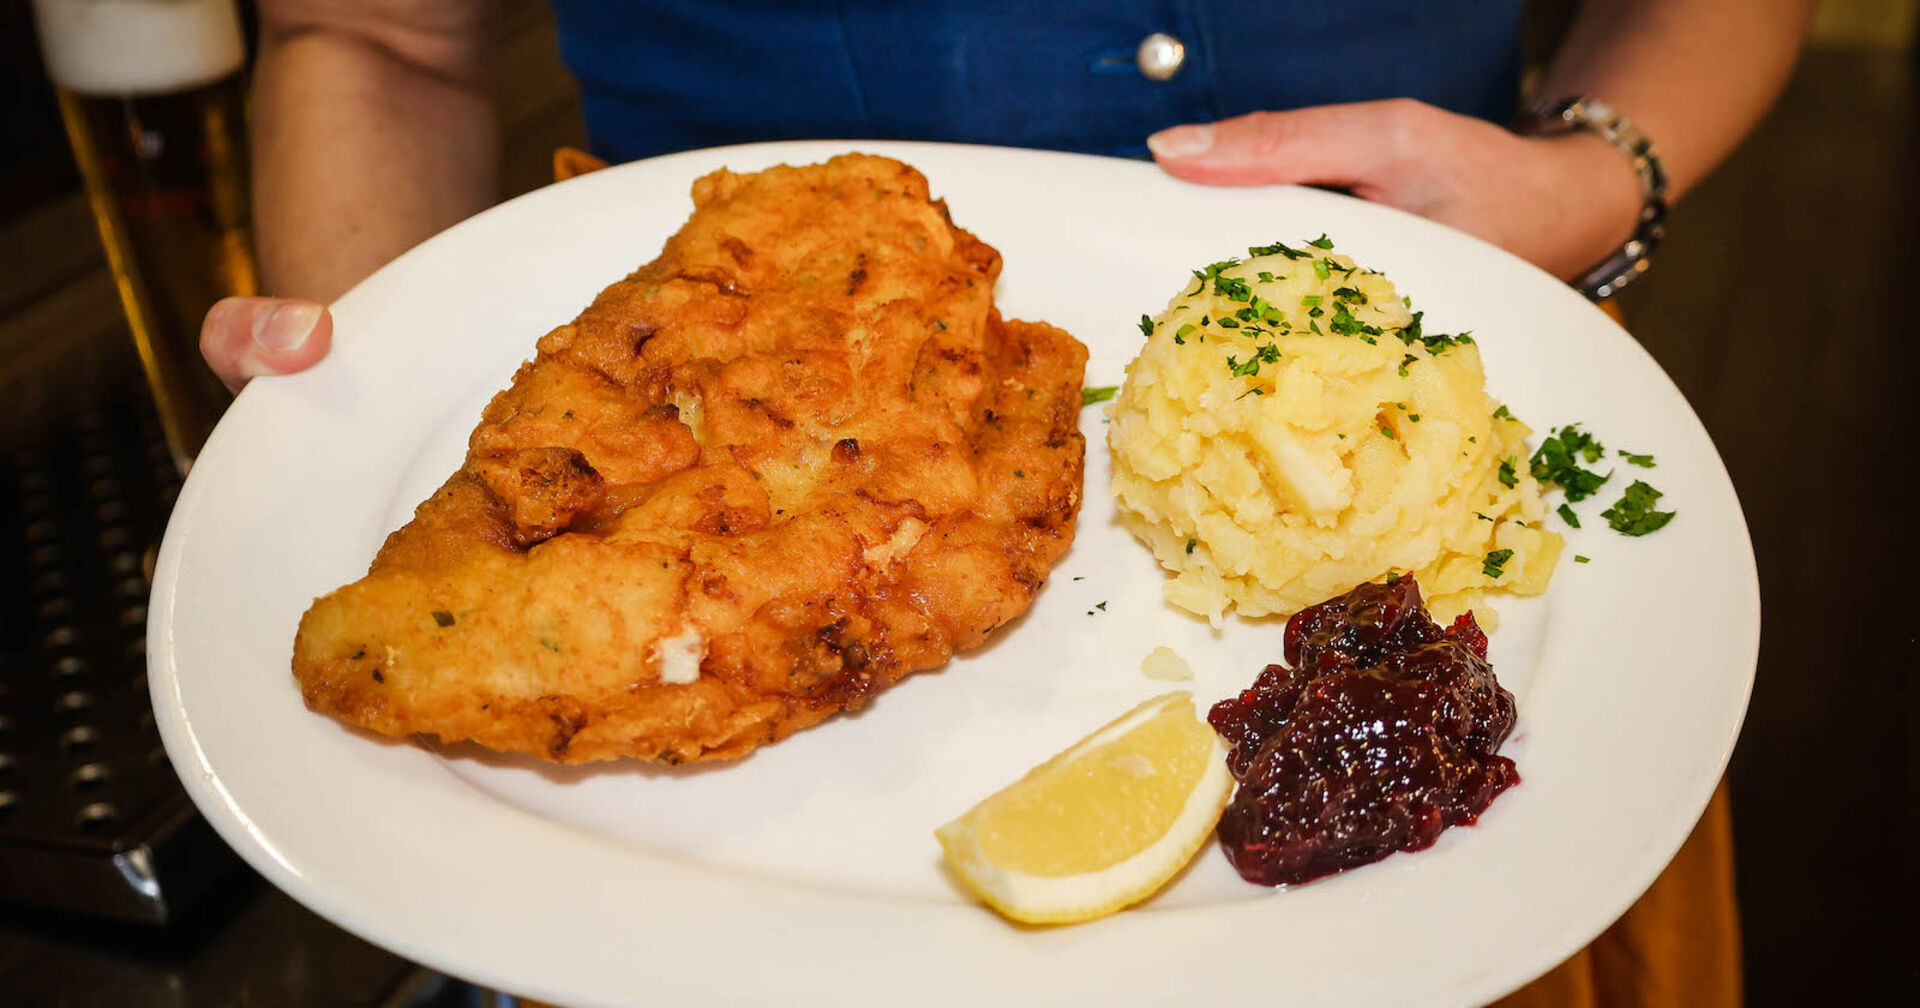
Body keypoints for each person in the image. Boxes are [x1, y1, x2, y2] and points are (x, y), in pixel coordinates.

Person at [197, 3, 1809, 1004]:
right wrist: (358, 373)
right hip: (651, 864)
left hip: (1460, 395)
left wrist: (1601, 171)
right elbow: (379, 37)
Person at [202, 0, 1814, 390]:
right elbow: (381, 34)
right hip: (688, 438)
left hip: (1417, 407)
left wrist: (1602, 176)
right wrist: (386, 405)